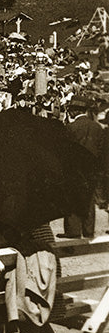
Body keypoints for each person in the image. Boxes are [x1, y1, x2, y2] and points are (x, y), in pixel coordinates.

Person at [63, 97, 103, 238]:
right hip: (92, 170)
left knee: (73, 199)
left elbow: (65, 151)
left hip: (75, 170)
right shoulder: (97, 127)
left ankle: (73, 231)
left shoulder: (70, 128)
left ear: (74, 111)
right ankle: (88, 230)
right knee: (89, 199)